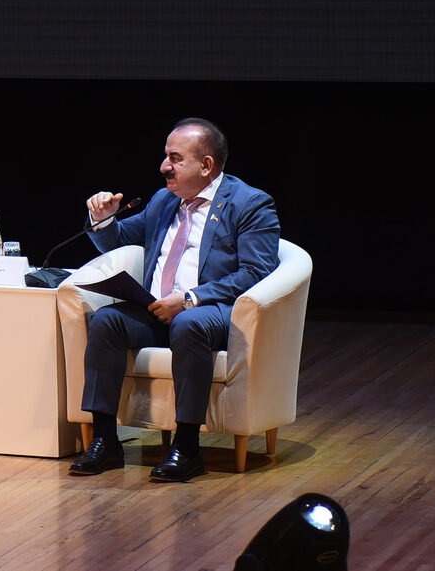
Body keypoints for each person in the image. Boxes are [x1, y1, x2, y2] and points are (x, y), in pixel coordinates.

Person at [69, 117, 279, 482]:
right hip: (158, 310)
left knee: (188, 323)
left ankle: (187, 447)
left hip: (210, 312)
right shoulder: (164, 201)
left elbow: (255, 272)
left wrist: (189, 299)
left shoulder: (249, 203)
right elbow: (120, 240)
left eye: (175, 158)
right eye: (166, 156)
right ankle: (105, 440)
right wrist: (102, 221)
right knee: (106, 321)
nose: (164, 166)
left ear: (207, 165)